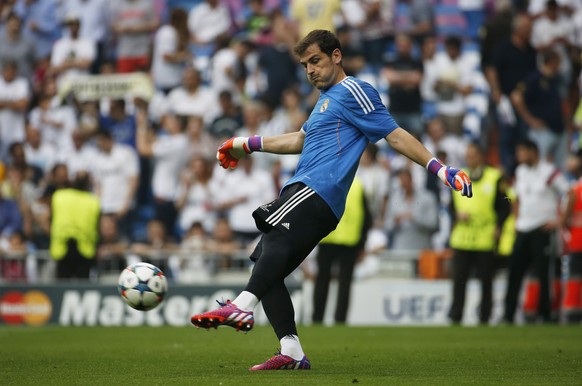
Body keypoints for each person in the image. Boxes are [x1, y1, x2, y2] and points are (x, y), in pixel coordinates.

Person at [190, 29, 472, 371]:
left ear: (336, 56)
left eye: (315, 61)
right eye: (305, 64)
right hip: (312, 195)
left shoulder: (354, 90)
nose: (310, 70)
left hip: (316, 189)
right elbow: (299, 140)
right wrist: (246, 143)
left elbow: (393, 134)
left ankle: (241, 306)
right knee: (267, 264)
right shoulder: (325, 101)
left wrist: (440, 169)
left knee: (273, 240)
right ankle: (291, 350)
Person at [502, 139, 569, 324]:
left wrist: (560, 221)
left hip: (542, 228)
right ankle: (508, 315)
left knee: (543, 274)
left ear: (533, 151)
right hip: (523, 229)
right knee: (514, 271)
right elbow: (515, 197)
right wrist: (516, 220)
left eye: (522, 151)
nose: (519, 156)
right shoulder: (520, 171)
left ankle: (545, 314)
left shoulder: (549, 171)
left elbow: (569, 193)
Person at [447, 143, 509, 325]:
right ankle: (456, 315)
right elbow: (450, 206)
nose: (470, 159)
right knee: (459, 280)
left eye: (473, 155)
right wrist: (456, 215)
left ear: (481, 156)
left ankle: (485, 317)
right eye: (468, 155)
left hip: (485, 236)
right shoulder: (459, 176)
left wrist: (499, 226)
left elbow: (505, 206)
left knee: (486, 281)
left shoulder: (495, 177)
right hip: (462, 237)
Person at [312, 177, 371, 325]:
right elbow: (367, 216)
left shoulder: (324, 180)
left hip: (327, 238)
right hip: (350, 240)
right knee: (345, 283)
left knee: (322, 281)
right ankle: (340, 320)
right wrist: (362, 242)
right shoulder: (357, 185)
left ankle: (317, 319)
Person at [49, 172, 100, 279]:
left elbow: (51, 217)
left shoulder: (59, 196)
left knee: (61, 287)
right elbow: (97, 226)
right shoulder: (93, 201)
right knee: (82, 287)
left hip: (62, 248)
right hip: (85, 249)